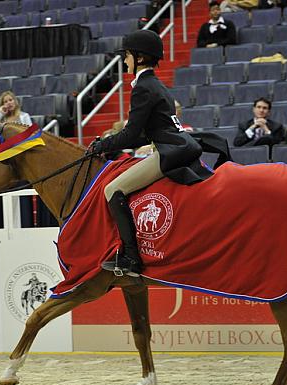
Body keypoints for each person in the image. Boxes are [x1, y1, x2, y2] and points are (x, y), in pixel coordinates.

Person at [90, 30, 210, 277]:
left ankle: (130, 258)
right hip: (178, 146)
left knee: (112, 189)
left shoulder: (143, 87)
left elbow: (132, 136)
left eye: (127, 55)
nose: (124, 60)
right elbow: (147, 133)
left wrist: (102, 145)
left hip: (170, 152)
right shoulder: (157, 85)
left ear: (140, 58)